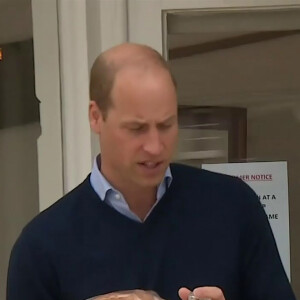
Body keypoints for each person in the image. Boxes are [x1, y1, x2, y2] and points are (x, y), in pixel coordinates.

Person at [7, 43, 295, 300]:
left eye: (167, 125)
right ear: (96, 117)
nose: (155, 147)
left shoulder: (234, 206)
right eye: (137, 129)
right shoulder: (41, 248)